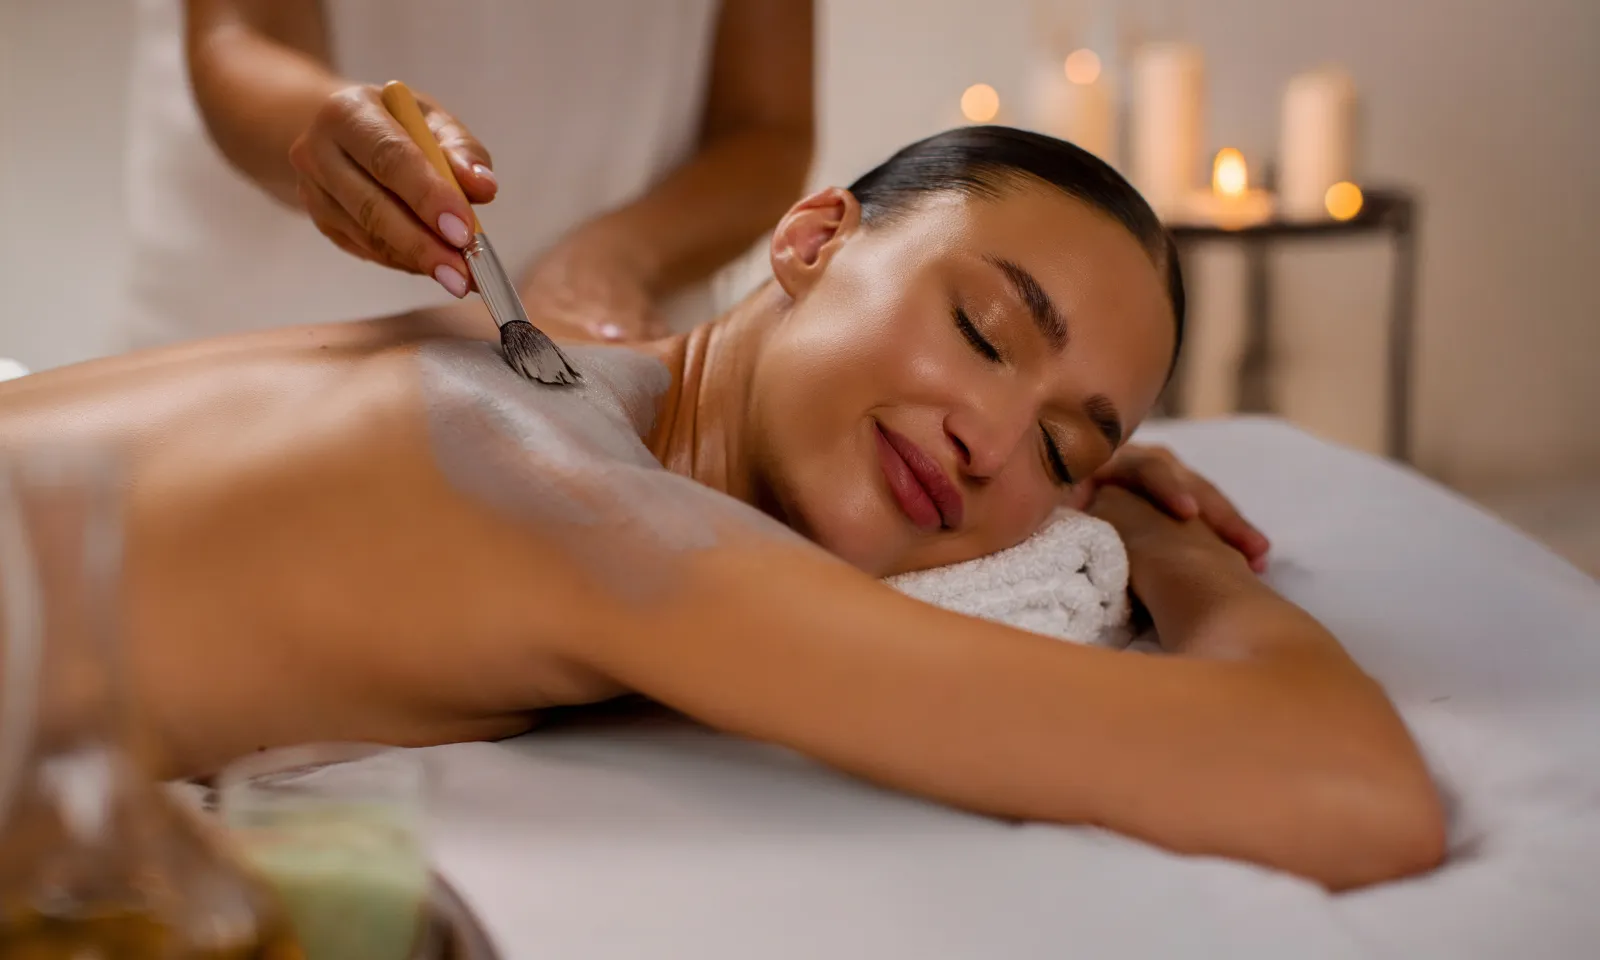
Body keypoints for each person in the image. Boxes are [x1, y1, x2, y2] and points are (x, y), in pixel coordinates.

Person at [1, 127, 1444, 891]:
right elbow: (1356, 795)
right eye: (988, 333)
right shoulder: (586, 512)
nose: (998, 440)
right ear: (813, 238)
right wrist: (1170, 547)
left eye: (1071, 457)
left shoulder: (574, 380)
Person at [119, 0, 813, 348]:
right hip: (267, 325)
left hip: (607, 341)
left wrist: (615, 262)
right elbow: (241, 34)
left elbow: (768, 128)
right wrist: (330, 132)